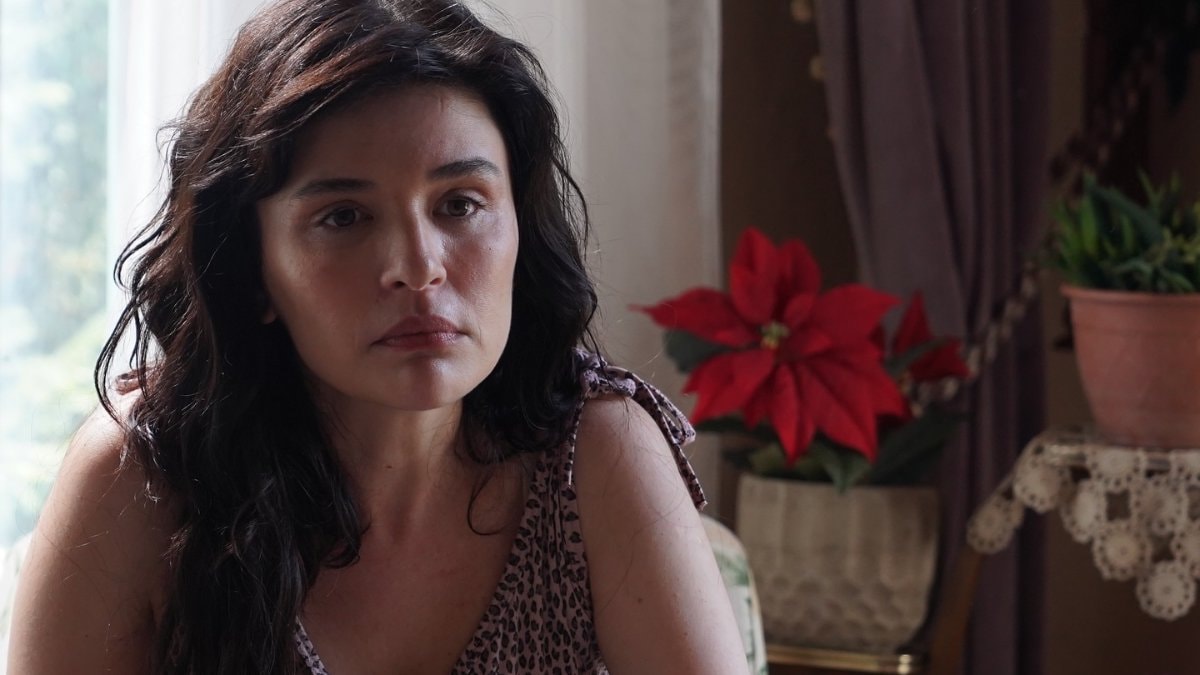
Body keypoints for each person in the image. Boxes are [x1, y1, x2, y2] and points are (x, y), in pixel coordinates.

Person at [6, 1, 746, 673]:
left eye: (460, 204)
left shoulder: (596, 454)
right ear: (253, 270)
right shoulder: (140, 475)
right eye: (344, 217)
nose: (418, 268)